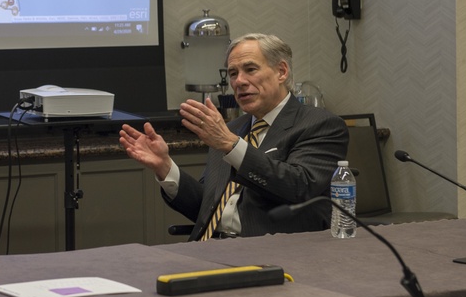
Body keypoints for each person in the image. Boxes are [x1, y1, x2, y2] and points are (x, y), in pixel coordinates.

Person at [120, 33, 348, 239]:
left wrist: (231, 145)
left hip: (271, 252)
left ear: (281, 72)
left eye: (250, 69)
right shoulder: (232, 128)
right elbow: (207, 206)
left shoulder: (320, 124)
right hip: (207, 246)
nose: (239, 81)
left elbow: (299, 187)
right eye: (232, 73)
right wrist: (165, 168)